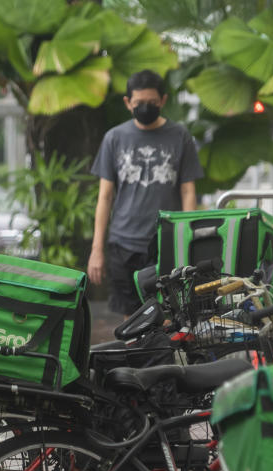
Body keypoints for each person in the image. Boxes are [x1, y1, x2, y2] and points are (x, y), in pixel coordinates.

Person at [87, 69, 205, 316]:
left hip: (165, 243)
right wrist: (97, 250)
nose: (146, 108)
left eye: (152, 103)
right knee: (131, 321)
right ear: (128, 103)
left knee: (167, 316)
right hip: (123, 244)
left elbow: (187, 191)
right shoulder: (114, 139)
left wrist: (187, 239)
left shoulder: (180, 136)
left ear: (163, 100)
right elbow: (105, 197)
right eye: (139, 103)